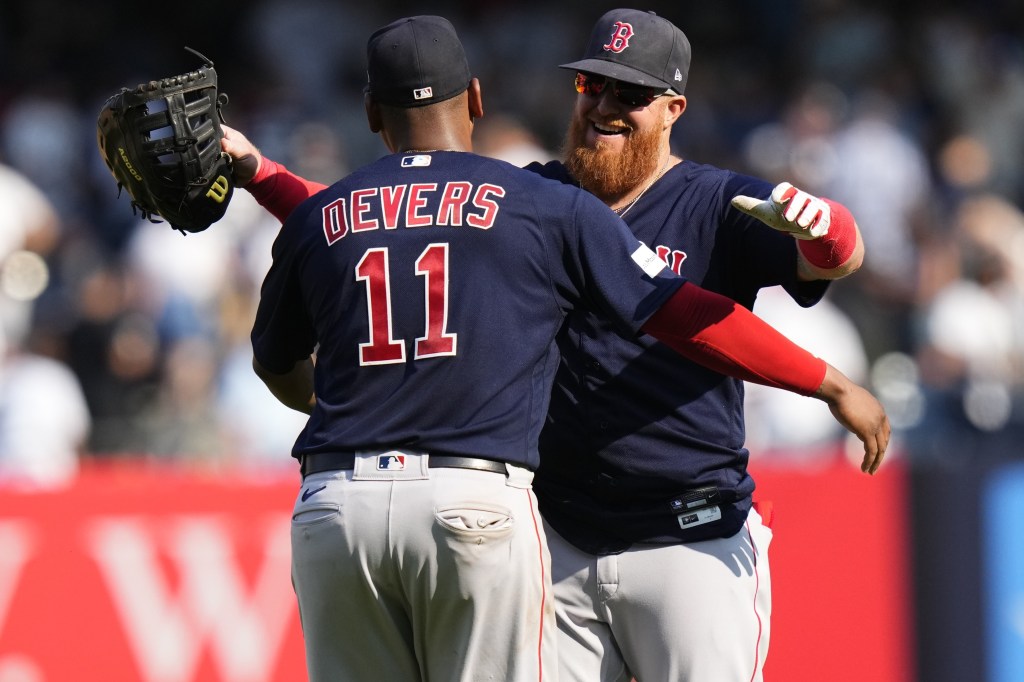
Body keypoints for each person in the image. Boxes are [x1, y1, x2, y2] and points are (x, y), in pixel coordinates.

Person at [232, 13, 889, 682]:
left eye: (628, 94)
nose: (603, 107)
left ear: (673, 109)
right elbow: (390, 212)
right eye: (592, 87)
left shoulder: (717, 200)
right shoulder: (542, 195)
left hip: (689, 531)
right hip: (560, 533)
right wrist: (262, 174)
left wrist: (830, 235)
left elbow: (831, 258)